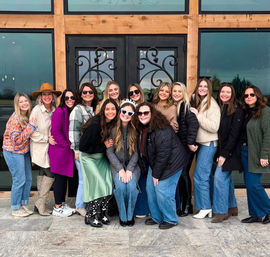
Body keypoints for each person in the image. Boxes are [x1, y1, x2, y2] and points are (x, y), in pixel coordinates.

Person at [134, 102, 187, 229]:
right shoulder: (144, 128)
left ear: (152, 114)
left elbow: (164, 154)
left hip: (172, 164)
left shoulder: (161, 129)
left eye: (146, 113)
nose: (142, 115)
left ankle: (171, 219)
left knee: (163, 191)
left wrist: (156, 174)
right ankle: (157, 217)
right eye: (140, 113)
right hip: (157, 163)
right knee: (150, 189)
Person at [79, 99, 118, 227]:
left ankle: (101, 213)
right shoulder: (95, 124)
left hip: (100, 157)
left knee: (107, 183)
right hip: (88, 157)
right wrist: (104, 145)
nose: (110, 111)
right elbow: (83, 147)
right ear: (103, 110)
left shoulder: (112, 124)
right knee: (98, 184)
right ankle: (90, 215)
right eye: (107, 109)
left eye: (113, 109)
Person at [212, 83, 244, 223]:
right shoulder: (221, 109)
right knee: (227, 179)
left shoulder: (237, 111)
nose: (225, 94)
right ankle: (232, 207)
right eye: (222, 91)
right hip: (223, 150)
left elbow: (234, 135)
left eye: (228, 92)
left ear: (232, 95)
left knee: (219, 178)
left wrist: (224, 155)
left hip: (232, 151)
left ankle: (221, 211)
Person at [106, 99, 140, 226]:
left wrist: (129, 169)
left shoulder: (136, 130)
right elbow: (109, 152)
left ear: (132, 116)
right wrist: (120, 169)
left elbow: (136, 153)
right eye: (124, 111)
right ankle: (122, 214)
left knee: (131, 186)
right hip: (117, 165)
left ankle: (130, 215)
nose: (126, 114)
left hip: (132, 165)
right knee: (120, 187)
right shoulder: (112, 129)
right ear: (120, 111)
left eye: (129, 113)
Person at [190, 78, 221, 219]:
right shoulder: (200, 101)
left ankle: (205, 207)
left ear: (209, 88)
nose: (202, 88)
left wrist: (198, 115)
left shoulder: (212, 104)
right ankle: (207, 207)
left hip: (209, 144)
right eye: (200, 86)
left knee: (200, 176)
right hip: (202, 144)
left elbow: (214, 127)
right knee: (204, 176)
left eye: (205, 86)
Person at [2, 93, 36, 217]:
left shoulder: (26, 115)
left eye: (25, 101)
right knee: (19, 180)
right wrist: (31, 127)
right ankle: (15, 208)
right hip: (13, 152)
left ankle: (23, 204)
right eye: (21, 102)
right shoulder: (15, 119)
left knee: (28, 179)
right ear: (17, 104)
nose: (24, 103)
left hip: (23, 151)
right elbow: (17, 140)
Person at [30, 83, 61, 216]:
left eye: (49, 94)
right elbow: (31, 132)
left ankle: (39, 204)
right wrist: (46, 138)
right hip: (39, 146)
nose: (47, 97)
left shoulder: (55, 110)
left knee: (43, 173)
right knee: (50, 173)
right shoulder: (36, 110)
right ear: (40, 97)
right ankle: (41, 204)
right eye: (44, 94)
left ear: (53, 97)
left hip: (50, 148)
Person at [241, 85, 270, 224]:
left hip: (257, 153)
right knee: (249, 184)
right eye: (246, 95)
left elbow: (268, 135)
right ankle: (256, 214)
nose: (249, 98)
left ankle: (268, 210)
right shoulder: (246, 112)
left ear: (258, 96)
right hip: (245, 152)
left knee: (254, 185)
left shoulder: (265, 111)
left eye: (252, 95)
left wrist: (265, 155)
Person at [69, 82, 98, 217]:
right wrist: (75, 150)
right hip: (81, 151)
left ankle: (86, 202)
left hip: (92, 151)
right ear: (80, 95)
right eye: (85, 92)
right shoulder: (78, 110)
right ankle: (80, 205)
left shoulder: (94, 109)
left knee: (89, 178)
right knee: (83, 179)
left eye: (90, 92)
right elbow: (73, 130)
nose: (87, 94)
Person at [49, 89, 78, 217]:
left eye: (72, 97)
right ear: (63, 100)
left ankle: (62, 204)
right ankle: (57, 207)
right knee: (60, 179)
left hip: (65, 150)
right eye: (67, 98)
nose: (70, 100)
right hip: (60, 150)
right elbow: (55, 132)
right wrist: (67, 145)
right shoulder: (59, 112)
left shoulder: (70, 111)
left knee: (64, 178)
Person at [174, 82, 199, 217]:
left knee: (184, 174)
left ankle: (188, 205)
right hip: (180, 148)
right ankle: (183, 204)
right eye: (175, 91)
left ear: (184, 93)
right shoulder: (177, 106)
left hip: (186, 147)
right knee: (180, 175)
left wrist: (190, 142)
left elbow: (194, 125)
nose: (177, 93)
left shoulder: (186, 107)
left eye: (179, 91)